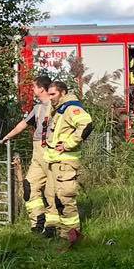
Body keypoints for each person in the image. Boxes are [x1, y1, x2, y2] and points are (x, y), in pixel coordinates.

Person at [1, 75, 53, 235]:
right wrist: (7, 136)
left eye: (34, 87)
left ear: (42, 89)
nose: (33, 90)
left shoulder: (58, 106)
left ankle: (54, 227)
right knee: (29, 187)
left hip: (52, 151)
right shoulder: (37, 108)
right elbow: (23, 124)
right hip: (38, 151)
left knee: (53, 191)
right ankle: (38, 222)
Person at [44, 80, 93, 247]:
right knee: (54, 197)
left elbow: (86, 124)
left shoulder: (71, 108)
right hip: (55, 161)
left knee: (65, 198)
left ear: (63, 93)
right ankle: (63, 232)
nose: (50, 98)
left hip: (66, 162)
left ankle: (72, 236)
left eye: (53, 94)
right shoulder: (59, 109)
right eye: (49, 94)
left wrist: (68, 144)